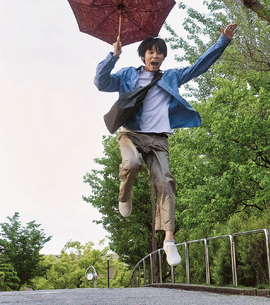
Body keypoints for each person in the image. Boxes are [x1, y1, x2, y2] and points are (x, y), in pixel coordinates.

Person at [94, 23, 237, 266]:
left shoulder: (170, 77)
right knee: (132, 163)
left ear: (163, 57)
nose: (155, 55)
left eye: (159, 52)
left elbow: (198, 67)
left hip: (159, 139)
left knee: (166, 183)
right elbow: (100, 82)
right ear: (142, 56)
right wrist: (113, 56)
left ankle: (169, 240)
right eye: (150, 51)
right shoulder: (128, 75)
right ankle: (124, 194)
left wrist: (222, 41)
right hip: (131, 133)